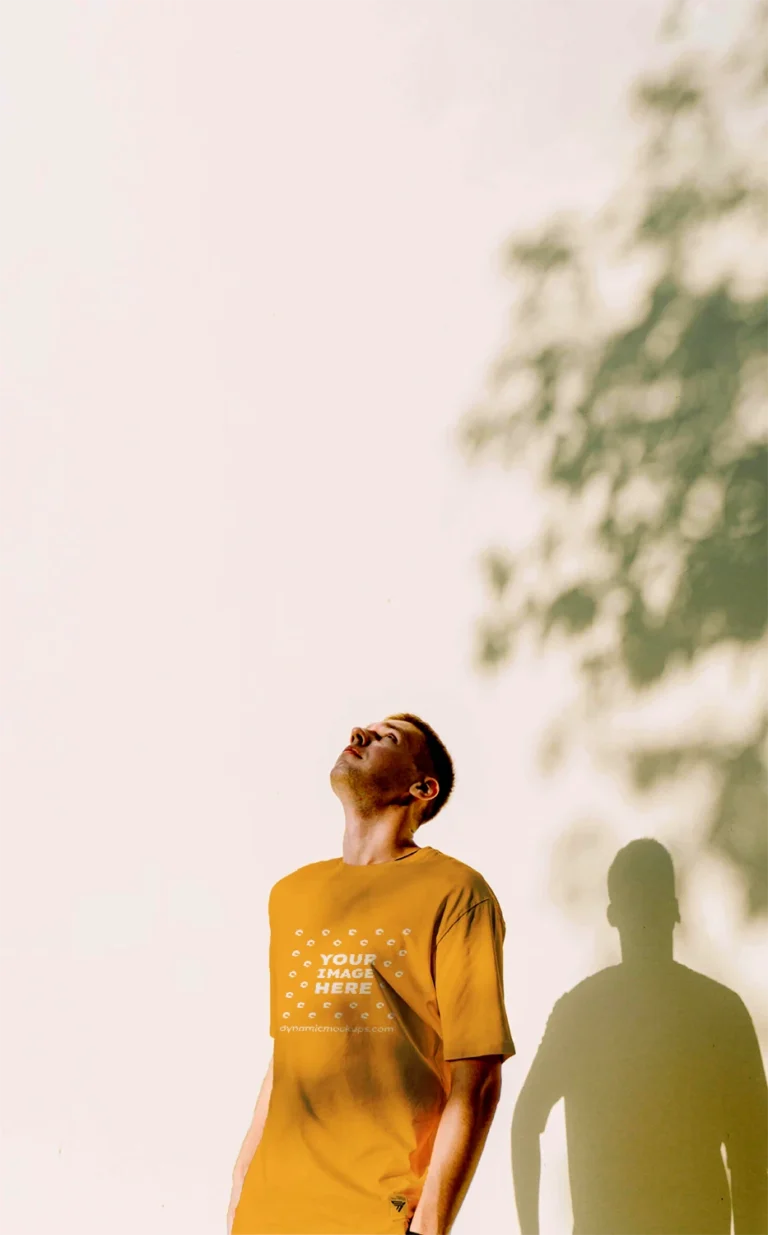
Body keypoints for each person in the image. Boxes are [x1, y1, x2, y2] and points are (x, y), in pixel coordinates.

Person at [227, 711, 516, 1235]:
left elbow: (477, 1079)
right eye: (362, 730)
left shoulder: (456, 892)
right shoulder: (291, 895)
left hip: (375, 1214)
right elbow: (286, 1059)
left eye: (387, 738)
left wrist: (429, 1225)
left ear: (421, 787)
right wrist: (240, 1189)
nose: (358, 735)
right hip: (268, 1213)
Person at [511, 838, 768, 1235]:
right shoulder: (721, 1012)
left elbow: (526, 1122)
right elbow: (751, 1154)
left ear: (613, 915)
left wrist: (530, 1232)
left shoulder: (580, 1011)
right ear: (676, 910)